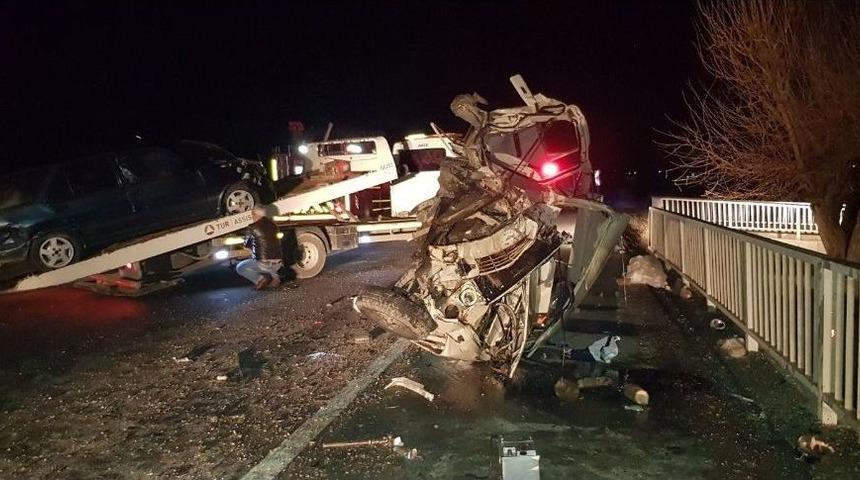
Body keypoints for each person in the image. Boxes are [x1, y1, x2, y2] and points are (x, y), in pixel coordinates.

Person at [236, 205, 283, 289]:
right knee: (265, 261)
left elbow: (246, 247)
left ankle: (261, 279)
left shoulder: (251, 227)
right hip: (278, 264)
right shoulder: (274, 225)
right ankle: (273, 275)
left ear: (254, 214)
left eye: (251, 215)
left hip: (264, 264)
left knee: (240, 267)